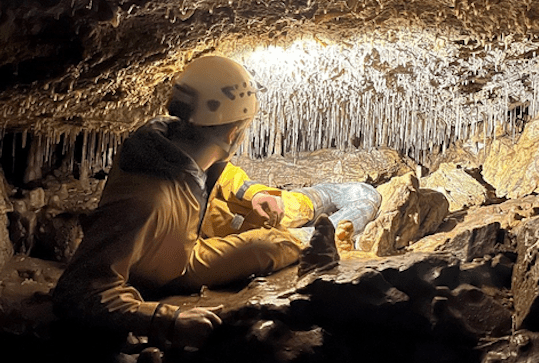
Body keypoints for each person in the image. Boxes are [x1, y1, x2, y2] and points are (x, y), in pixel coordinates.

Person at [52, 56, 381, 353]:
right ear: (233, 134)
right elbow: (78, 290)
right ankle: (334, 229)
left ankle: (322, 199)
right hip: (171, 268)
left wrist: (252, 193)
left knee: (271, 206)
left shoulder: (169, 145)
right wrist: (168, 319)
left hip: (181, 239)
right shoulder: (145, 202)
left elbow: (212, 174)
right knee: (273, 245)